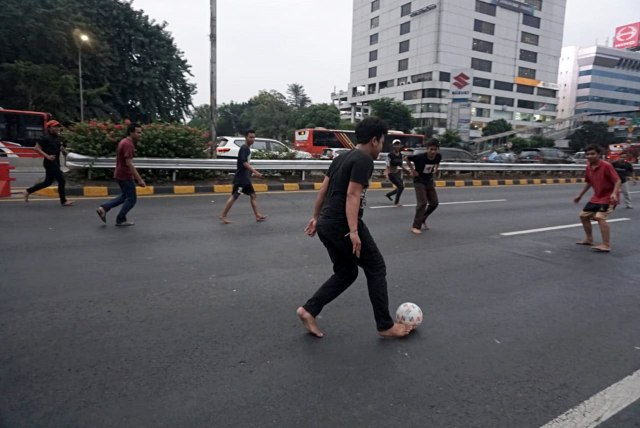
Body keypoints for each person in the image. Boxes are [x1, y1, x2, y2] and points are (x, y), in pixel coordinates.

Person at [296, 117, 412, 339]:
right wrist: (354, 231)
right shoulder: (364, 159)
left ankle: (309, 310)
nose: (382, 147)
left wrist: (315, 217)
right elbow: (352, 194)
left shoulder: (341, 157)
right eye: (382, 142)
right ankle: (385, 325)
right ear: (375, 140)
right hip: (342, 224)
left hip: (327, 223)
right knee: (376, 267)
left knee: (347, 272)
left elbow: (323, 190)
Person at [95, 123, 146, 226]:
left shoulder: (124, 141)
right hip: (125, 175)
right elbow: (129, 163)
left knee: (124, 196)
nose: (140, 134)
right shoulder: (128, 144)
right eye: (138, 132)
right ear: (131, 132)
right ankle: (120, 219)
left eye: (141, 132)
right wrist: (139, 179)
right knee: (131, 199)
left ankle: (104, 208)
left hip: (119, 173)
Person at [573, 144, 621, 253]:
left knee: (600, 217)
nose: (590, 156)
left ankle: (606, 244)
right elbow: (589, 182)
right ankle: (589, 239)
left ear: (598, 154)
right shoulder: (588, 167)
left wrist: (614, 193)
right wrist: (580, 195)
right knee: (583, 216)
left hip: (609, 197)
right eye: (588, 154)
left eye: (592, 154)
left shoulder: (606, 166)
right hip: (597, 197)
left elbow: (617, 180)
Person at [218, 130, 267, 224]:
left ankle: (257, 215)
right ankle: (223, 215)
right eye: (250, 137)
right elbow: (244, 163)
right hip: (241, 178)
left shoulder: (247, 148)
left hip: (245, 178)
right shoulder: (244, 148)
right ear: (246, 137)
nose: (252, 139)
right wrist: (255, 172)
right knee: (235, 196)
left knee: (253, 195)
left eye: (254, 137)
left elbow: (246, 162)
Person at [23, 120, 74, 206]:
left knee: (47, 182)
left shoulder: (57, 138)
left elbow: (59, 147)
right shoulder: (45, 137)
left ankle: (28, 191)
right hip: (50, 163)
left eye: (58, 127)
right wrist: (47, 156)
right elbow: (36, 148)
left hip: (56, 162)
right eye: (55, 127)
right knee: (61, 181)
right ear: (49, 128)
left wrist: (64, 151)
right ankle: (63, 201)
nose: (57, 128)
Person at [405, 138, 442, 235]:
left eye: (435, 149)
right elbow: (406, 158)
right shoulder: (420, 157)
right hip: (419, 181)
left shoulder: (438, 156)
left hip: (429, 181)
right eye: (431, 149)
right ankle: (415, 226)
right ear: (427, 149)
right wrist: (413, 170)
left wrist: (436, 169)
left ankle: (422, 219)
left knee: (434, 202)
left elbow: (437, 162)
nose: (433, 151)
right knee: (422, 203)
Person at [384, 139, 406, 206]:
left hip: (397, 173)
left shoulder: (401, 155)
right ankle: (396, 202)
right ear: (393, 146)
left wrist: (406, 170)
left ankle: (388, 194)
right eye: (396, 144)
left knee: (401, 187)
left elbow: (400, 165)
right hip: (391, 174)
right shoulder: (390, 155)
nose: (397, 146)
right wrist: (387, 174)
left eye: (398, 144)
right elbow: (387, 165)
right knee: (401, 187)